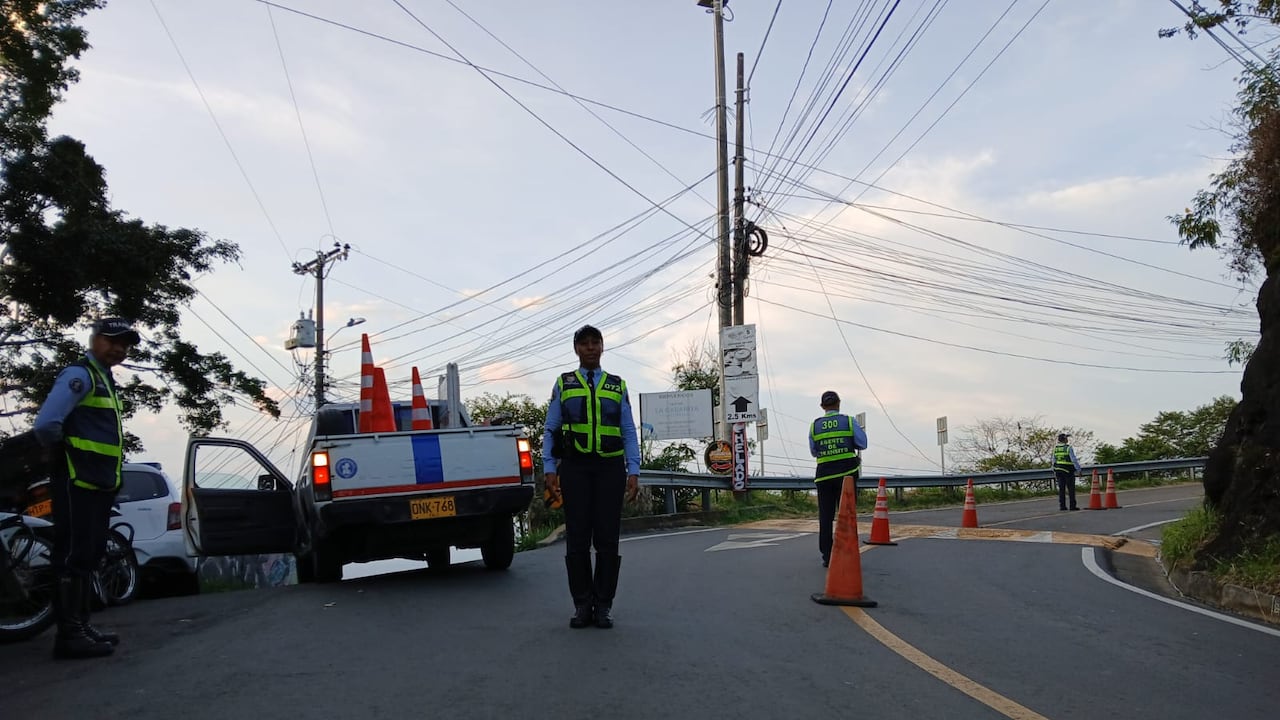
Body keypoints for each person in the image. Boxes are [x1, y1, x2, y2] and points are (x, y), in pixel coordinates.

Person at [32, 317, 140, 659]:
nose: (119, 348)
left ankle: (81, 624)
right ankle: (69, 635)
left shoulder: (103, 379)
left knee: (89, 553)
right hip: (75, 479)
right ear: (94, 340)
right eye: (112, 340)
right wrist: (67, 453)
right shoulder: (79, 376)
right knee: (72, 554)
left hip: (96, 482)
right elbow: (47, 424)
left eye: (125, 343)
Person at [543, 325, 640, 629]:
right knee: (578, 540)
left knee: (608, 540)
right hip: (575, 468)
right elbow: (551, 429)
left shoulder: (616, 385)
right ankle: (582, 604)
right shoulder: (564, 383)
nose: (590, 348)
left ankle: (604, 606)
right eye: (584, 344)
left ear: (602, 347)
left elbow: (628, 430)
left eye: (594, 343)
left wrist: (633, 469)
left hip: (610, 469)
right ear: (576, 349)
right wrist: (549, 467)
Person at [808, 391, 868, 567]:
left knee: (825, 517)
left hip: (824, 475)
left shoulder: (815, 426)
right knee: (847, 515)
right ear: (839, 403)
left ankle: (827, 556)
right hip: (846, 474)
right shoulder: (848, 421)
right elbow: (863, 443)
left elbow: (813, 452)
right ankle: (847, 552)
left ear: (822, 406)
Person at [1052, 432, 1082, 511]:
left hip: (1058, 470)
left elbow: (1053, 460)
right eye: (1066, 438)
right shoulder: (1068, 448)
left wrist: (1054, 470)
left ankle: (1062, 506)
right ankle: (1072, 506)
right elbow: (1073, 460)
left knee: (1061, 489)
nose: (1067, 439)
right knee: (1071, 489)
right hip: (1068, 470)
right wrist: (1078, 470)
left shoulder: (1055, 448)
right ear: (1064, 439)